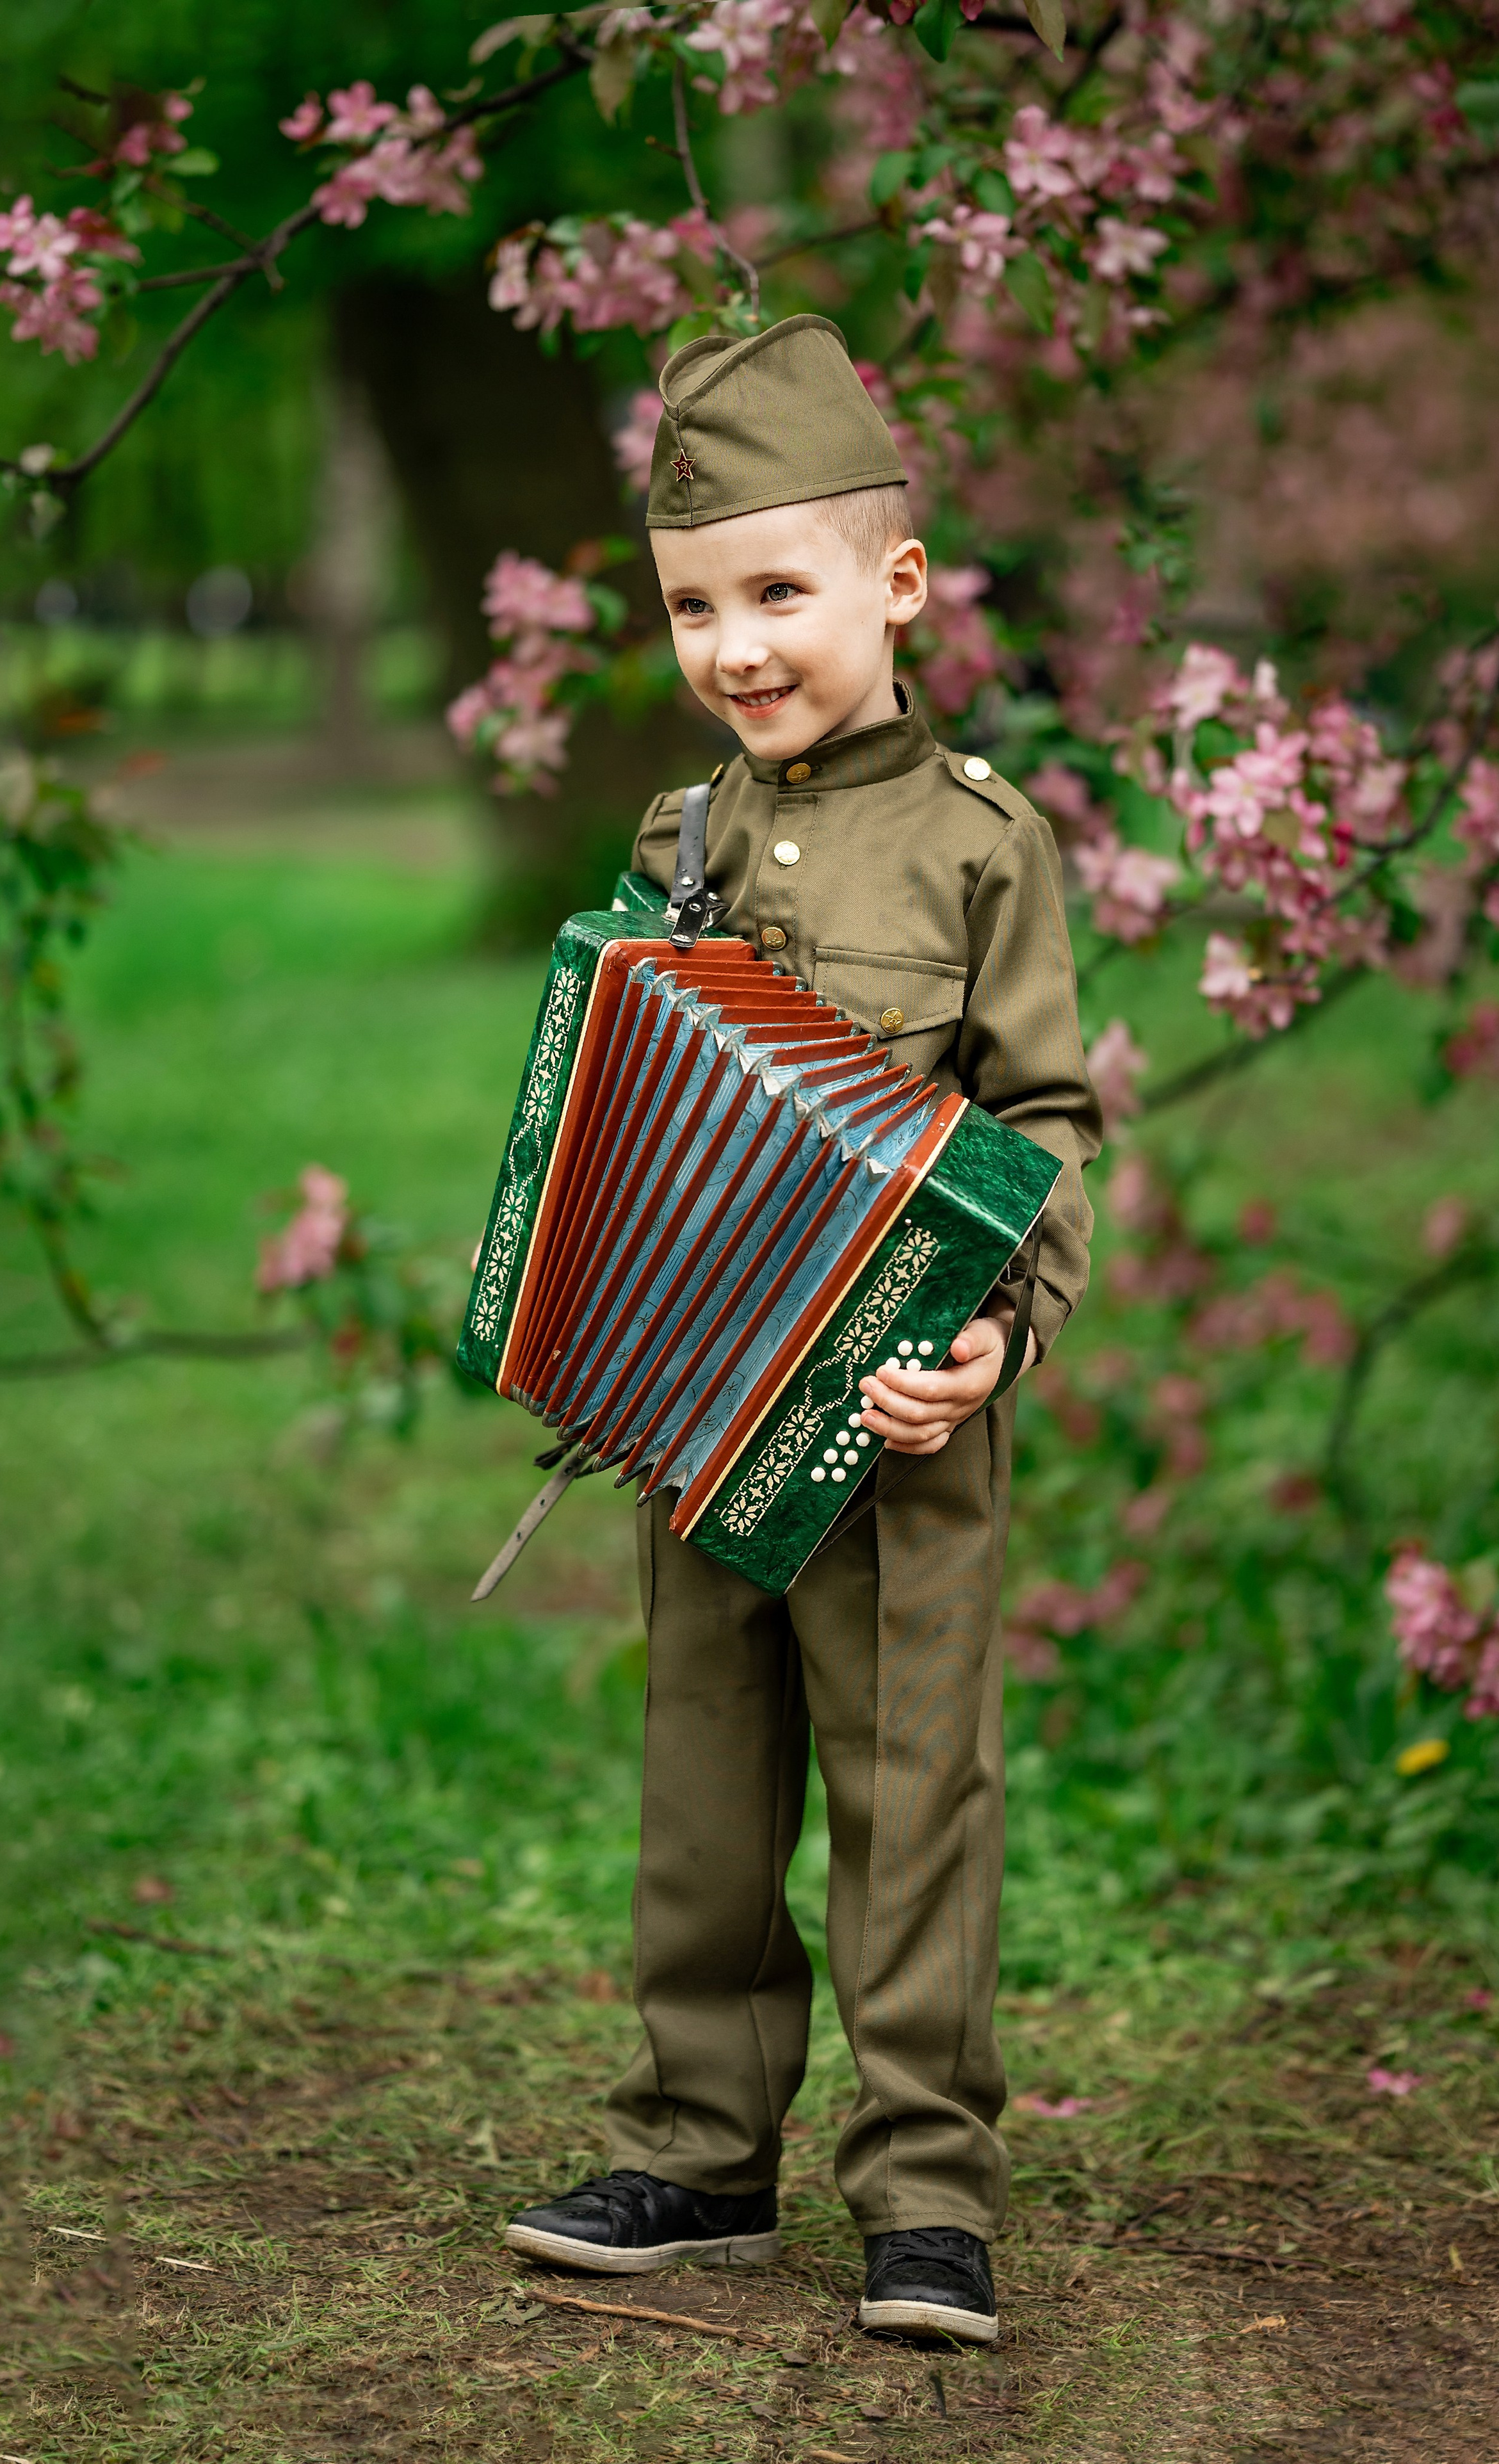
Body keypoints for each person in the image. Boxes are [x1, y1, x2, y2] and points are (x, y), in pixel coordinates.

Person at [505, 314, 1100, 2344]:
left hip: (912, 1424)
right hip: (701, 1413)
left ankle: (928, 2194)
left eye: (779, 592)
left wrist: (1004, 1336)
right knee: (705, 1775)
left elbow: (1045, 1124)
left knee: (914, 1785)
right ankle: (698, 2152)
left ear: (897, 583)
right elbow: (622, 1078)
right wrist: (575, 1274)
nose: (738, 646)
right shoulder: (676, 842)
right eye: (694, 605)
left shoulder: (982, 846)